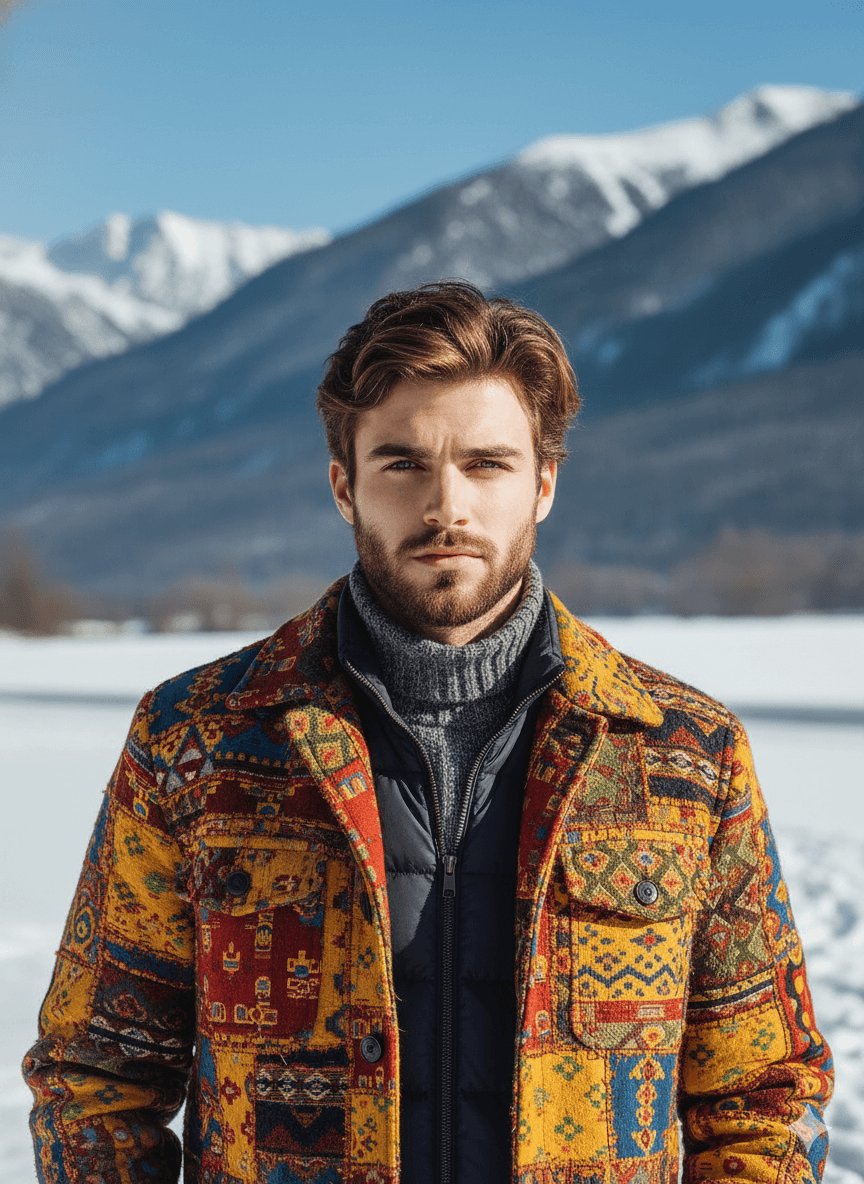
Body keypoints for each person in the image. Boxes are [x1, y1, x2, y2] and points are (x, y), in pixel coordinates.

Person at [24, 281, 833, 1184]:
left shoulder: (684, 754)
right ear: (345, 486)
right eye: (404, 463)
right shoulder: (196, 742)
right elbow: (96, 1080)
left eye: (486, 464)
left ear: (543, 484)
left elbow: (764, 1095)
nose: (447, 505)